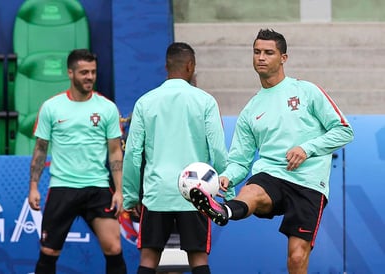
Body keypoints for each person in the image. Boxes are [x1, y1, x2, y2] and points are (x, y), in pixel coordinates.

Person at [189, 29, 354, 274]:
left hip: (309, 183)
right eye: (257, 52)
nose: (261, 57)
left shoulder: (306, 91)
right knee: (253, 191)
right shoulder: (250, 110)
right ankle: (223, 211)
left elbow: (344, 131)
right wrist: (227, 177)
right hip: (271, 175)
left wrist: (307, 149)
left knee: (297, 258)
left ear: (283, 58)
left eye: (268, 52)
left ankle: (228, 210)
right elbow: (239, 161)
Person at [122, 42, 230, 274]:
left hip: (157, 193)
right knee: (198, 258)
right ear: (191, 66)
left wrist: (131, 196)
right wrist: (225, 188)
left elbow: (132, 155)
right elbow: (218, 150)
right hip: (196, 192)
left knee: (149, 258)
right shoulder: (205, 101)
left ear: (166, 67)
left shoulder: (145, 102)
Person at [27, 49, 127, 274]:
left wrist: (119, 190)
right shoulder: (52, 107)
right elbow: (41, 149)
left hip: (97, 187)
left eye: (93, 72)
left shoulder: (107, 108)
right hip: (63, 187)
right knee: (49, 253)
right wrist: (33, 187)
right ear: (70, 73)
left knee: (114, 247)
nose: (90, 77)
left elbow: (114, 152)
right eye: (84, 72)